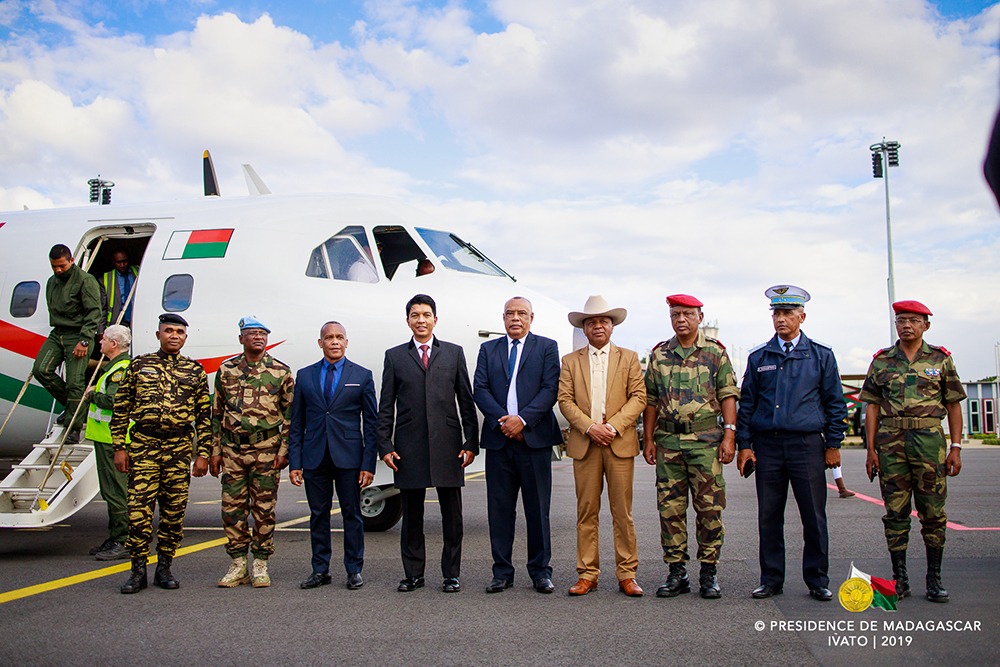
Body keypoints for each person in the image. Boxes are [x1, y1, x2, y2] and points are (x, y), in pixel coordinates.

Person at [736, 285, 847, 602]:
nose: (781, 319)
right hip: (768, 446)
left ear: (802, 316)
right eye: (776, 313)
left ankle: (817, 579)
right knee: (769, 516)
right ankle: (771, 578)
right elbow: (748, 404)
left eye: (787, 313)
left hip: (806, 445)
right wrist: (745, 445)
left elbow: (835, 403)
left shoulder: (820, 355)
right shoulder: (760, 357)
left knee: (813, 516)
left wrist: (833, 443)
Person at [860, 300, 966, 603]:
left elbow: (954, 404)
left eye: (913, 320)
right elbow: (872, 408)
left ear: (925, 325)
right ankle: (900, 579)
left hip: (930, 442)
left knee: (933, 512)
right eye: (901, 320)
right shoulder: (882, 361)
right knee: (895, 512)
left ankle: (934, 579)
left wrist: (955, 447)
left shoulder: (940, 359)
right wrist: (871, 450)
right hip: (890, 443)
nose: (906, 324)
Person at [377, 294, 479, 593]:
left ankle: (451, 574)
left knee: (453, 517)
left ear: (435, 319)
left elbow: (466, 401)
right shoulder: (395, 356)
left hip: (449, 446)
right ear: (407, 320)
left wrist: (470, 441)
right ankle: (413, 574)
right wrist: (385, 444)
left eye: (426, 314)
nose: (420, 320)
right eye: (415, 315)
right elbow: (386, 405)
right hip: (408, 447)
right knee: (412, 517)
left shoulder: (453, 353)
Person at [641, 294, 739, 599]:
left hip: (706, 442)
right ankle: (677, 572)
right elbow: (651, 400)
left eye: (686, 314)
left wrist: (729, 436)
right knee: (670, 509)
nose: (680, 319)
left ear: (700, 317)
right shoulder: (659, 354)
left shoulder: (715, 353)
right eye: (674, 314)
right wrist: (648, 439)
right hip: (668, 442)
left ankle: (709, 572)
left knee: (709, 508)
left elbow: (728, 394)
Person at [110, 313, 211, 595]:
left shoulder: (195, 371)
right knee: (138, 513)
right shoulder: (139, 366)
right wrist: (120, 447)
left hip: (179, 449)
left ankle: (164, 567)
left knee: (173, 513)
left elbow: (205, 416)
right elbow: (120, 408)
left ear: (186, 337)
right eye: (168, 331)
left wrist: (203, 453)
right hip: (144, 446)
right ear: (158, 335)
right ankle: (137, 570)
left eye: (179, 331)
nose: (174, 336)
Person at [557, 295, 646, 597]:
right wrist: (589, 427)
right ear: (584, 328)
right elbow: (564, 400)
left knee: (622, 512)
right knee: (586, 511)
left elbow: (639, 397)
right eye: (592, 322)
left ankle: (627, 574)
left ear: (612, 326)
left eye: (603, 321)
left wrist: (612, 426)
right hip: (585, 444)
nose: (598, 326)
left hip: (619, 443)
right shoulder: (570, 361)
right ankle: (587, 574)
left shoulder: (629, 358)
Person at [473, 297, 562, 594]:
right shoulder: (488, 350)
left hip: (533, 441)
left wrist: (523, 421)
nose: (515, 318)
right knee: (499, 511)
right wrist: (504, 421)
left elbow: (551, 389)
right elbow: (480, 390)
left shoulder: (547, 348)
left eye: (521, 313)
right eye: (510, 313)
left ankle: (540, 572)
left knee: (538, 510)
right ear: (503, 318)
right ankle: (502, 572)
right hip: (500, 442)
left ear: (531, 318)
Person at [289, 321, 378, 590]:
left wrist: (368, 463)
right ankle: (320, 570)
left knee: (352, 514)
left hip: (349, 458)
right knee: (318, 515)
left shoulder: (362, 375)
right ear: (321, 343)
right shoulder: (304, 376)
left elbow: (371, 424)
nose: (335, 341)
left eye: (340, 337)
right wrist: (296, 462)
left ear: (347, 342)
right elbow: (296, 423)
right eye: (329, 337)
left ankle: (353, 570)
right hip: (315, 456)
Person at [210, 317, 295, 589]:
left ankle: (260, 563)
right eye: (251, 333)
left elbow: (290, 416)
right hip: (233, 449)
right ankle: (237, 564)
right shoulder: (226, 371)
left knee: (264, 509)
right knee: (231, 509)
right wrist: (214, 450)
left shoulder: (281, 372)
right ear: (241, 339)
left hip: (267, 450)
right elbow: (216, 413)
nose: (258, 337)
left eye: (262, 333)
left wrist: (284, 450)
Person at [32, 244, 101, 444]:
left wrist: (84, 340)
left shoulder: (85, 281)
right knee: (41, 370)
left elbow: (94, 313)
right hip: (58, 333)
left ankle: (74, 427)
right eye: (54, 266)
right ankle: (77, 408)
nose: (58, 270)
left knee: (74, 382)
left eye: (61, 266)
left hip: (77, 334)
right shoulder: (51, 283)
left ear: (71, 261)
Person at [83, 324, 132, 561]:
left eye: (102, 340)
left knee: (116, 490)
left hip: (111, 439)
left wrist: (91, 394)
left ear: (113, 344)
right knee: (111, 490)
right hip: (107, 438)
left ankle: (123, 540)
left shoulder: (119, 369)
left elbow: (113, 401)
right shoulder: (114, 367)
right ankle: (115, 537)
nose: (99, 344)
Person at [99, 248, 138, 329]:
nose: (122, 265)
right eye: (118, 262)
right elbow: (102, 308)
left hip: (137, 317)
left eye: (125, 261)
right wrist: (100, 331)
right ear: (113, 262)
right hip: (117, 322)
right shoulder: (105, 279)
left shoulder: (139, 271)